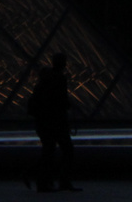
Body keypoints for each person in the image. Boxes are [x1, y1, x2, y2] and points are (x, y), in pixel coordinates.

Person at [26, 54, 76, 192]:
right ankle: (60, 181)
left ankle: (42, 180)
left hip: (43, 121)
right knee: (66, 150)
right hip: (56, 120)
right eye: (64, 62)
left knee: (49, 150)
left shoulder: (43, 81)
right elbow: (61, 100)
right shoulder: (59, 79)